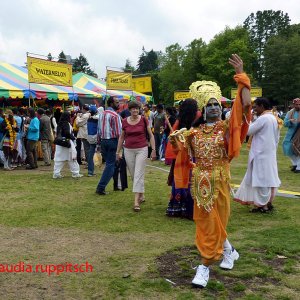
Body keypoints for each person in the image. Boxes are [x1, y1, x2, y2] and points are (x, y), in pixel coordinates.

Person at [169, 54, 251, 288]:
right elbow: (181, 152)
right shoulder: (194, 132)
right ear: (203, 109)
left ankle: (216, 259)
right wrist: (176, 140)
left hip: (221, 183)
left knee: (218, 222)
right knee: (206, 224)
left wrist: (242, 77)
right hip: (200, 184)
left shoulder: (227, 127)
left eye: (217, 104)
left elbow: (244, 106)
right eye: (210, 104)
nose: (214, 107)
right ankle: (215, 258)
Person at [234, 98, 281, 212]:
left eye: (255, 107)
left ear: (262, 106)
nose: (254, 109)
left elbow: (248, 131)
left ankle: (262, 206)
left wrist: (245, 119)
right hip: (268, 152)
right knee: (267, 178)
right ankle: (265, 204)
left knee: (261, 180)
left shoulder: (264, 118)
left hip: (261, 154)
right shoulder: (274, 117)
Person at [116, 100, 156, 211]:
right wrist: (117, 151)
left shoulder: (144, 120)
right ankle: (141, 194)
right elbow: (122, 137)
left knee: (138, 173)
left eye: (137, 109)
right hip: (128, 150)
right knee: (134, 174)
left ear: (139, 110)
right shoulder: (124, 121)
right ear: (129, 110)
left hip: (142, 149)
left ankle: (136, 202)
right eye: (133, 108)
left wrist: (153, 150)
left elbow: (151, 136)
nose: (135, 110)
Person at [165, 99, 200, 219]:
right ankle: (190, 208)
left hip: (181, 155)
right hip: (194, 155)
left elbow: (172, 138)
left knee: (180, 179)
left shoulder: (179, 121)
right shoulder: (199, 118)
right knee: (193, 179)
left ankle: (177, 207)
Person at [96, 96, 122, 195]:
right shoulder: (115, 115)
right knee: (111, 165)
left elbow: (98, 130)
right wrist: (121, 146)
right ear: (111, 104)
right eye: (117, 102)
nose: (118, 104)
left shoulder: (102, 114)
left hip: (103, 141)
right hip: (113, 141)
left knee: (113, 164)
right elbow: (119, 133)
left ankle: (116, 185)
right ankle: (100, 187)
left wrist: (98, 144)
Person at [53, 111, 83, 179]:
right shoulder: (67, 124)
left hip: (60, 144)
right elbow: (67, 133)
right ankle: (75, 173)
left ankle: (56, 173)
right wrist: (73, 137)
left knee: (59, 159)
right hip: (68, 143)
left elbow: (58, 134)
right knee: (72, 158)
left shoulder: (59, 124)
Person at [282, 98, 300, 173]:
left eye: (299, 104)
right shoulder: (290, 113)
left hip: (299, 133)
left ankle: (299, 167)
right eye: (296, 104)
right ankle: (295, 163)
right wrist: (290, 121)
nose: (298, 106)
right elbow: (285, 123)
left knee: (298, 148)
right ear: (293, 105)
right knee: (286, 146)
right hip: (291, 133)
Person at [86, 106, 99, 177]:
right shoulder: (97, 119)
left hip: (90, 138)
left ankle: (90, 171)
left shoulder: (89, 119)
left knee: (90, 155)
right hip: (96, 138)